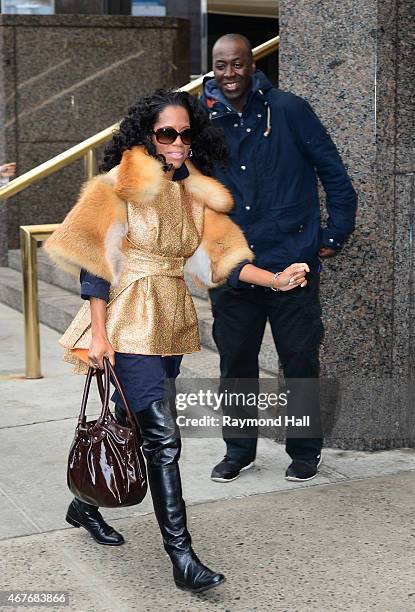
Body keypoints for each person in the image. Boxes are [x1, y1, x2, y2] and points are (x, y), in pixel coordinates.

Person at [44, 89, 310, 593]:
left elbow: (217, 260)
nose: (177, 142)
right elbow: (95, 266)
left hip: (167, 320)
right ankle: (182, 558)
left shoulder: (191, 194)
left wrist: (276, 280)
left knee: (127, 421)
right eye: (167, 133)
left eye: (186, 133)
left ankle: (83, 505)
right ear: (146, 135)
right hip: (125, 321)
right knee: (164, 439)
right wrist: (98, 336)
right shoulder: (117, 187)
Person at [202, 34, 358, 484]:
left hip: (291, 265)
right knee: (236, 363)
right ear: (212, 68)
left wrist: (334, 233)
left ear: (252, 65)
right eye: (220, 65)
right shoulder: (203, 121)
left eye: (237, 64)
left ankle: (305, 451)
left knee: (300, 361)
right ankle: (238, 450)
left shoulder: (288, 109)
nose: (229, 74)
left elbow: (333, 172)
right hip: (234, 267)